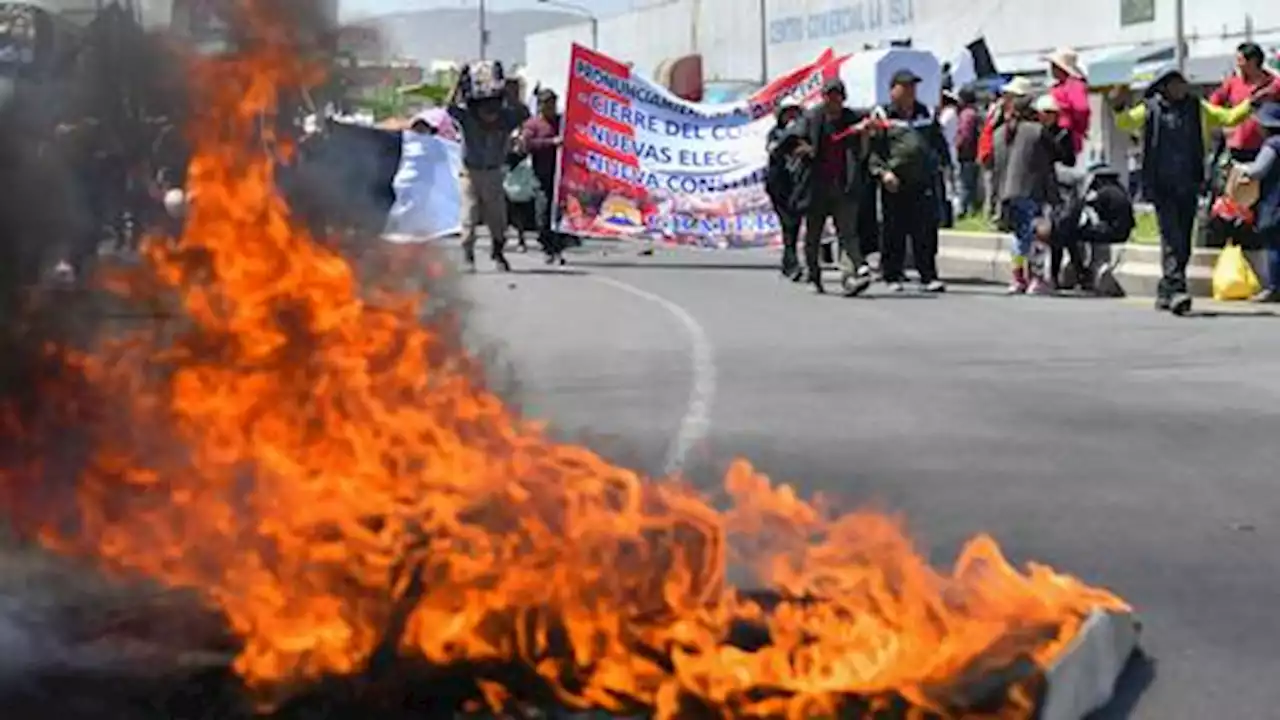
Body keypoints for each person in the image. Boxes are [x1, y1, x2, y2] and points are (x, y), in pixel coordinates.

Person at [1112, 65, 1255, 315]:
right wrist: (1118, 106)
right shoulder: (1149, 109)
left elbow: (1228, 118)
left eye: (1182, 83)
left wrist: (1251, 104)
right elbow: (1126, 123)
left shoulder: (1196, 107)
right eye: (1175, 83)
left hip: (1188, 183)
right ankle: (1177, 290)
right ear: (1164, 87)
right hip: (1161, 185)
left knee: (1184, 242)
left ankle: (1166, 290)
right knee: (1172, 238)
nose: (1181, 88)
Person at [786, 78, 875, 296]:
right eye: (829, 95)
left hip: (843, 186)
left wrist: (864, 134)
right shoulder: (812, 118)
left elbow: (863, 152)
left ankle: (851, 275)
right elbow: (792, 140)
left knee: (847, 234)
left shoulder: (852, 119)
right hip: (816, 187)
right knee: (814, 235)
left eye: (837, 95)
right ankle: (814, 274)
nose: (833, 100)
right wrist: (803, 148)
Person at [868, 69, 952, 293]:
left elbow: (937, 141)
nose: (910, 91)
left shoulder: (924, 112)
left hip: (923, 181)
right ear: (893, 90)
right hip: (895, 182)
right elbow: (873, 152)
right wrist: (883, 173)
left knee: (924, 230)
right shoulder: (882, 115)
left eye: (913, 86)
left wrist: (944, 163)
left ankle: (928, 276)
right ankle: (892, 275)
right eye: (905, 86)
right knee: (894, 231)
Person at [448, 70, 525, 273]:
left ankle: (498, 252)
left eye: (493, 109)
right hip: (470, 173)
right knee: (469, 216)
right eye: (485, 109)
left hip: (493, 173)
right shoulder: (468, 120)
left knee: (498, 218)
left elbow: (524, 113)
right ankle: (468, 255)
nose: (489, 115)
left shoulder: (505, 120)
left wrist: (508, 93)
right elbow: (450, 107)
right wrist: (458, 83)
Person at [994, 95, 1056, 295]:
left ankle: (1018, 277)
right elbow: (1061, 153)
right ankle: (1036, 279)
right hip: (1033, 190)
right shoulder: (1037, 131)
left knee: (1019, 237)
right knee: (1038, 235)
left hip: (1008, 192)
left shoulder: (999, 133)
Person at [1209, 43, 1280, 164]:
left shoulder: (1275, 84)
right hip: (1238, 148)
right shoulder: (1232, 83)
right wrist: (1223, 127)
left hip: (1267, 149)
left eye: (1240, 60)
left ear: (1253, 61)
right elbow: (1213, 105)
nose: (1237, 64)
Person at [1238, 103, 1280, 302]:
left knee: (1273, 244)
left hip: (1275, 201)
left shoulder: (1273, 144)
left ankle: (1274, 287)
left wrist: (1241, 169)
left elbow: (1258, 170)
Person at [521, 88, 567, 265]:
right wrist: (551, 143)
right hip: (542, 174)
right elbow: (527, 145)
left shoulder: (562, 122)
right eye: (547, 104)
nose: (551, 107)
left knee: (561, 213)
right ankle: (546, 243)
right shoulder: (532, 125)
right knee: (543, 211)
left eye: (553, 103)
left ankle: (557, 248)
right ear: (540, 105)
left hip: (562, 174)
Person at [765, 102, 806, 280]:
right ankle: (792, 264)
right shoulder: (775, 133)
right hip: (779, 185)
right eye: (787, 113)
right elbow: (774, 150)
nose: (791, 117)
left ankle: (788, 262)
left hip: (798, 185)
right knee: (788, 223)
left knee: (794, 225)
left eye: (794, 113)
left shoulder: (804, 133)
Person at [1045, 47, 1091, 157]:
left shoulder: (1074, 85)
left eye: (1054, 66)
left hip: (1066, 135)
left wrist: (1077, 127)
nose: (1051, 69)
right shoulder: (1060, 86)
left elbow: (1082, 108)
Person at [954, 87, 983, 217]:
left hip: (967, 154)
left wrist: (958, 145)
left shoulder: (967, 114)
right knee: (971, 183)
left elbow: (965, 135)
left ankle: (963, 210)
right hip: (974, 152)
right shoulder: (975, 112)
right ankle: (973, 209)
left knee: (965, 183)